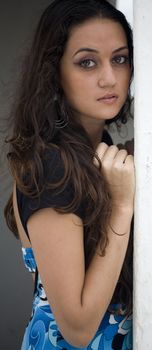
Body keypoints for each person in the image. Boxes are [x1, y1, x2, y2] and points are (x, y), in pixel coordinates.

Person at [4, 0, 134, 349]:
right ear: (54, 71)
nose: (109, 78)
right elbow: (77, 328)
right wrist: (121, 207)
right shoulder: (53, 167)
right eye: (87, 62)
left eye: (119, 58)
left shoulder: (96, 151)